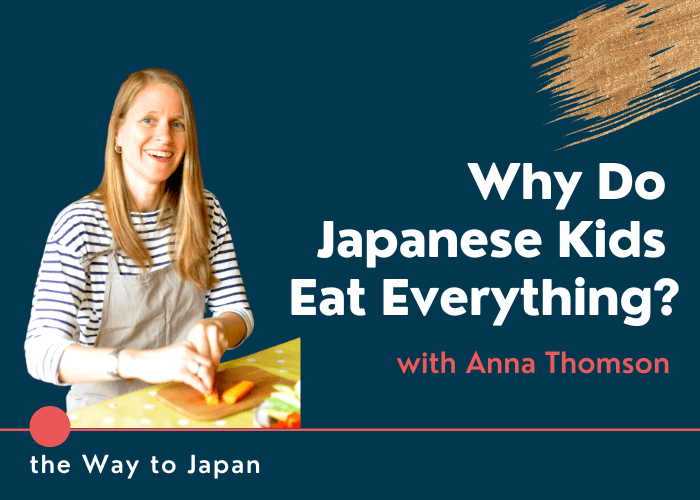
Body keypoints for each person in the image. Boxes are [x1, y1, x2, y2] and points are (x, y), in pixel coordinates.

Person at [25, 69, 253, 411]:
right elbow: (40, 353)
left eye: (177, 124)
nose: (164, 136)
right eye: (148, 120)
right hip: (106, 412)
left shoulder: (206, 210)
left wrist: (218, 327)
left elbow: (239, 312)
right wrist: (139, 362)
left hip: (190, 401)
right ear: (118, 134)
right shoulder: (79, 225)